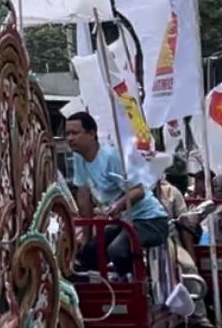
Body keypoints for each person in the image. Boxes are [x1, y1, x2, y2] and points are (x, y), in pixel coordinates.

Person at [65, 112, 169, 274]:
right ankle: (103, 286)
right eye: (67, 134)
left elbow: (138, 191)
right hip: (124, 222)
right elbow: (83, 195)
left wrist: (115, 208)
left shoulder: (111, 157)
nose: (70, 138)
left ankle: (136, 286)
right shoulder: (79, 158)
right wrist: (85, 237)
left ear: (91, 134)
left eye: (75, 133)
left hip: (150, 220)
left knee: (117, 250)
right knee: (89, 253)